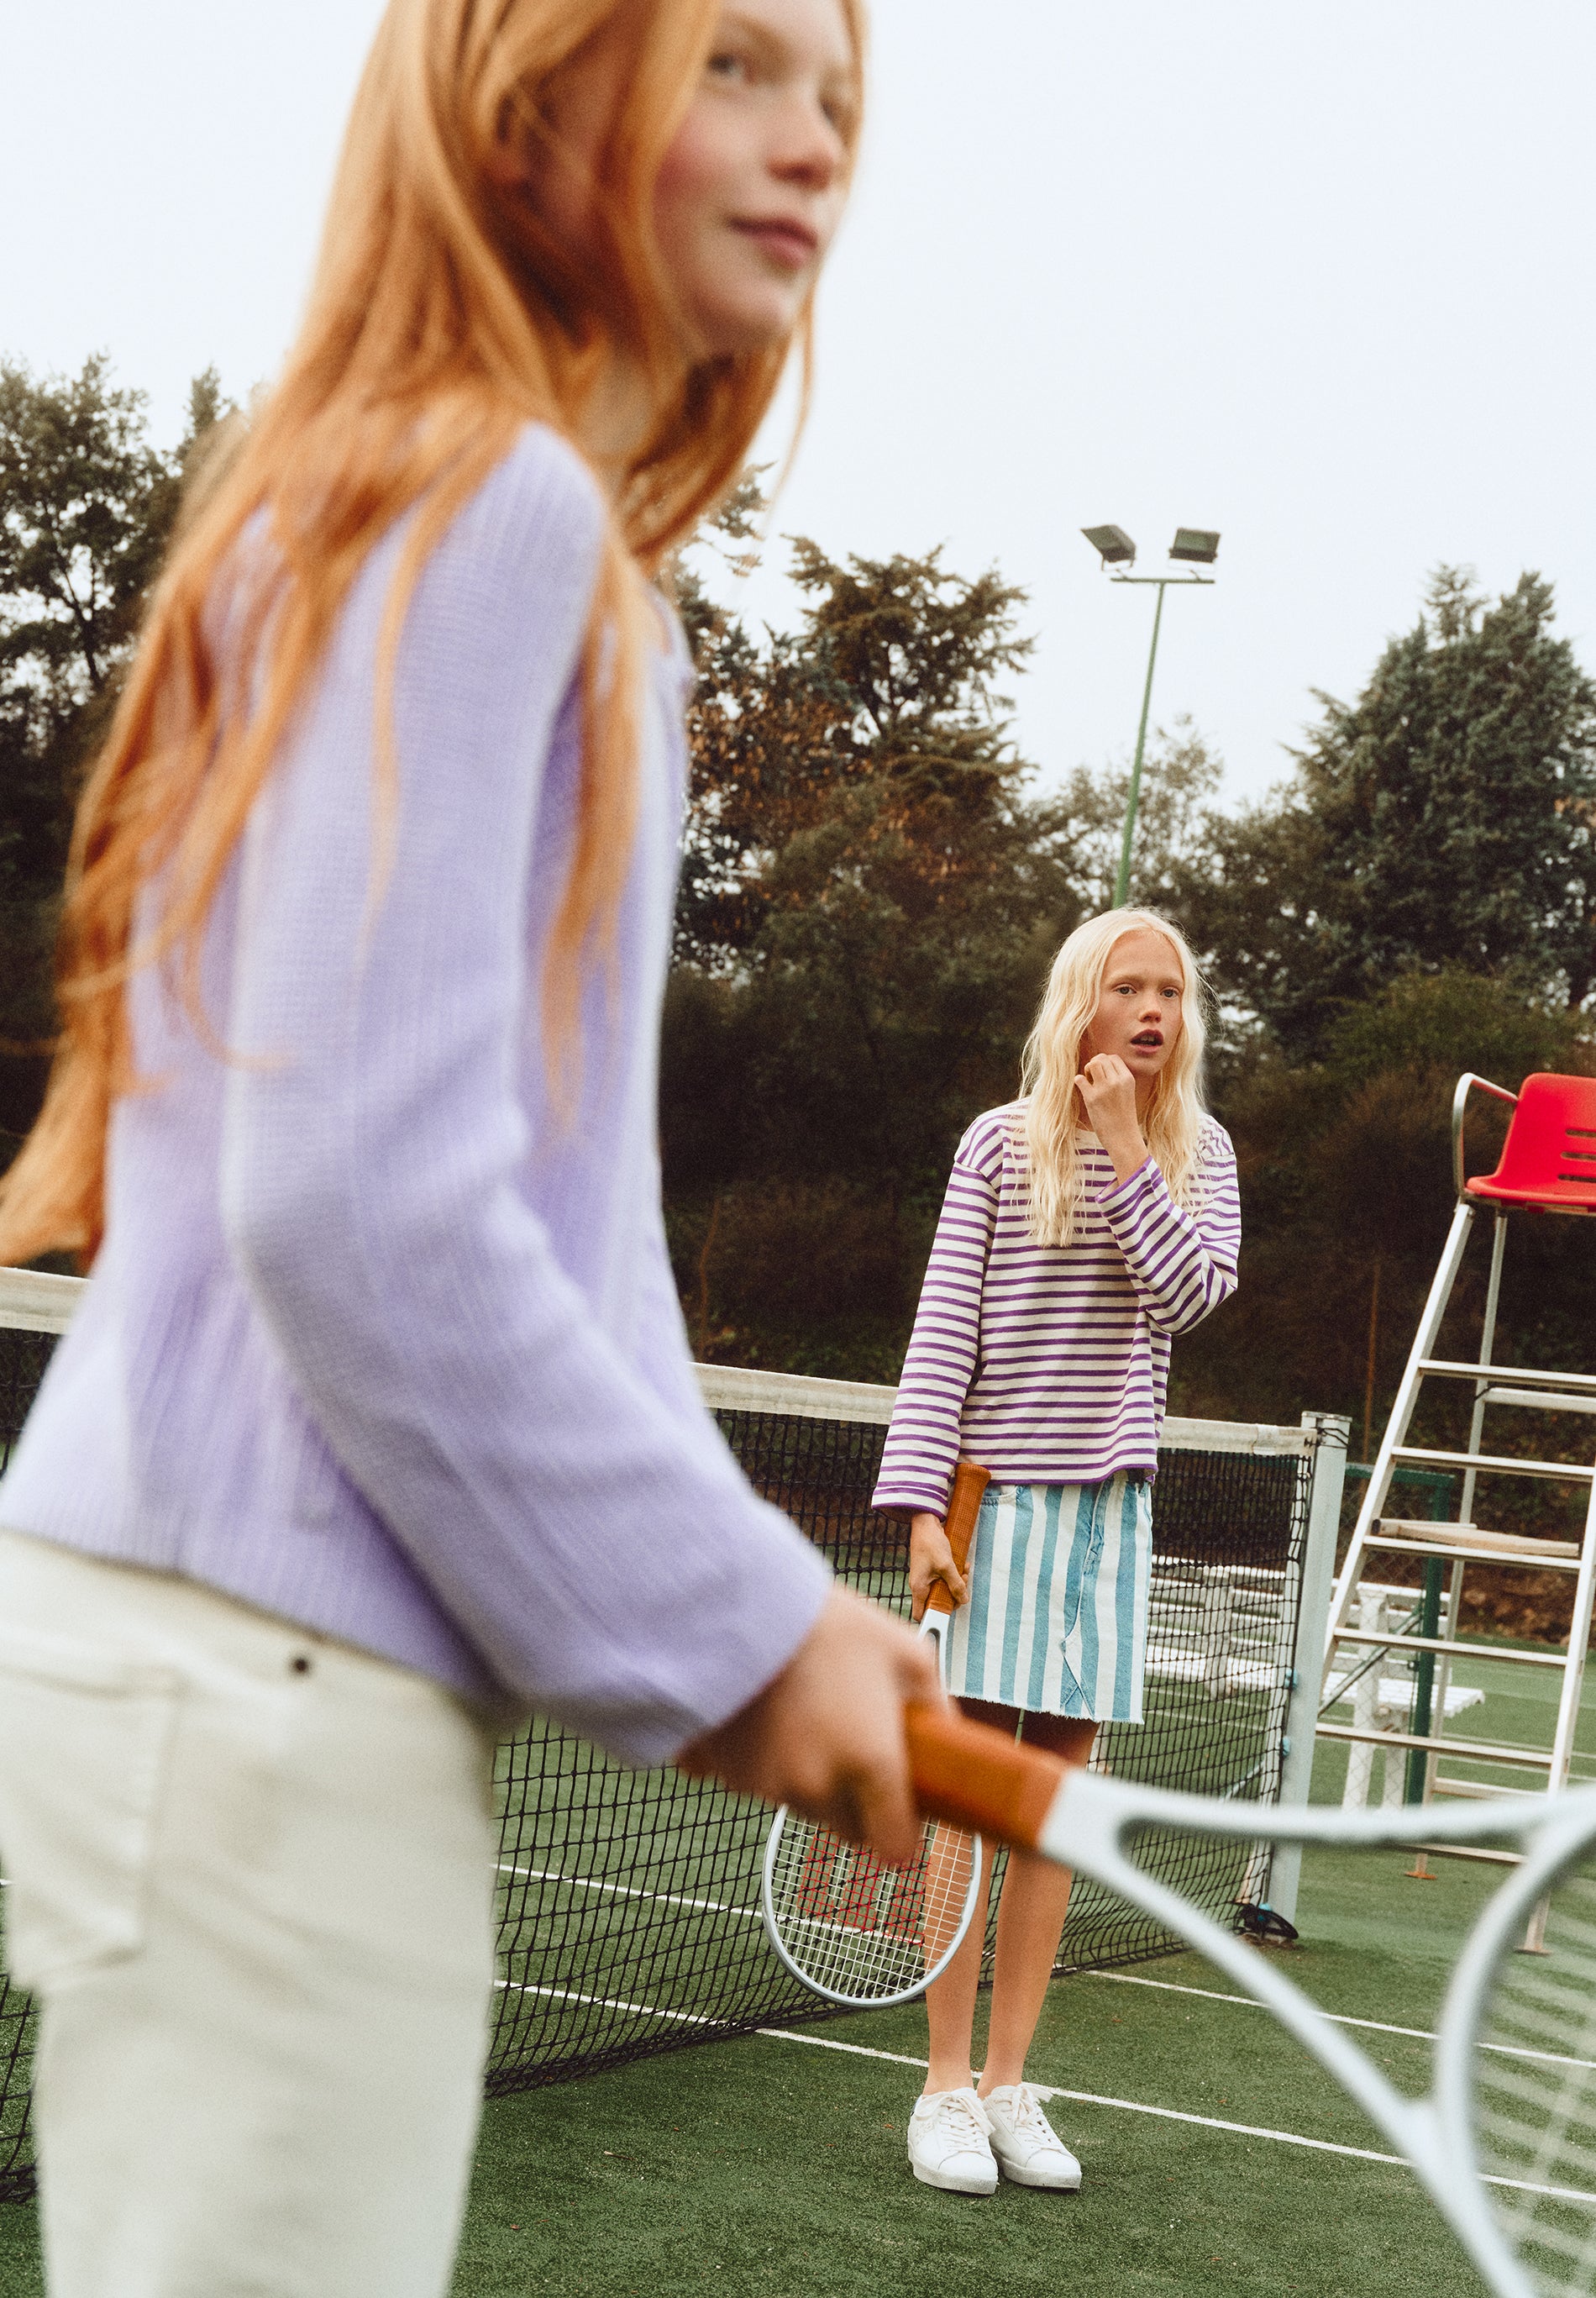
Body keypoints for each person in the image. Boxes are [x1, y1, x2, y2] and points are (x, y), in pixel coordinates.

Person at [0, 5, 941, 2292]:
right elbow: (352, 1211)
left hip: (208, 1659)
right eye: (724, 63)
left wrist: (737, 1613)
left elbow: (517, 1227)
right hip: (264, 1694)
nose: (804, 137)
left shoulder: (424, 496)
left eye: (828, 90)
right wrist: (738, 1629)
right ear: (520, 100)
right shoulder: (487, 502)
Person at [872, 907, 1241, 2195]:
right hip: (995, 1507)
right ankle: (941, 2090)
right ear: (1079, 1005)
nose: (1154, 1012)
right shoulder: (996, 1147)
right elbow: (940, 1340)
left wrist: (1134, 1150)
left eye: (1173, 994)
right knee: (974, 1803)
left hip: (1113, 1518)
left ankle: (1010, 2082)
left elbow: (1192, 1299)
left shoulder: (1201, 1158)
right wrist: (922, 1504)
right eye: (1128, 988)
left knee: (1052, 1815)